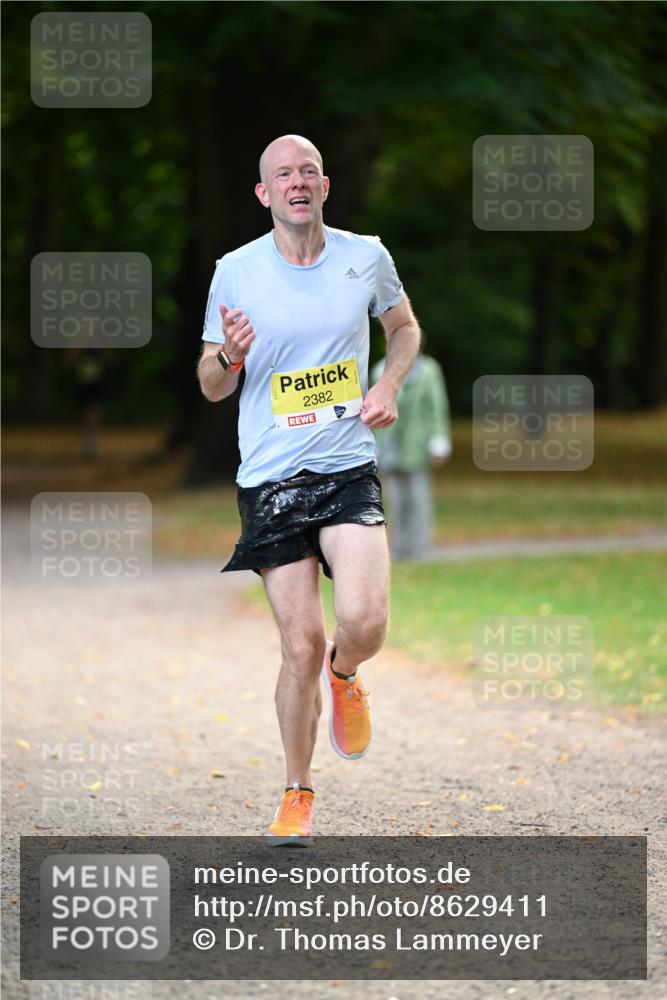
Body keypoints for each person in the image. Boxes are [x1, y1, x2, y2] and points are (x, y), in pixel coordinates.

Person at [197, 134, 420, 846]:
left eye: (307, 172)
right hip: (269, 478)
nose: (296, 182)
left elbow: (404, 327)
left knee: (365, 622)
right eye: (281, 175)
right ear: (264, 194)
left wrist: (387, 382)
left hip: (344, 464)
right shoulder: (234, 272)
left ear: (325, 186)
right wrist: (229, 353)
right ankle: (297, 790)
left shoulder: (366, 257)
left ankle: (346, 672)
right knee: (298, 644)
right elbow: (209, 383)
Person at [371, 350, 451, 560]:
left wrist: (438, 440)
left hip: (418, 446)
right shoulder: (380, 370)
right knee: (394, 501)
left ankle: (420, 547)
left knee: (418, 499)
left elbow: (436, 406)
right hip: (388, 448)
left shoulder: (428, 371)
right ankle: (398, 547)